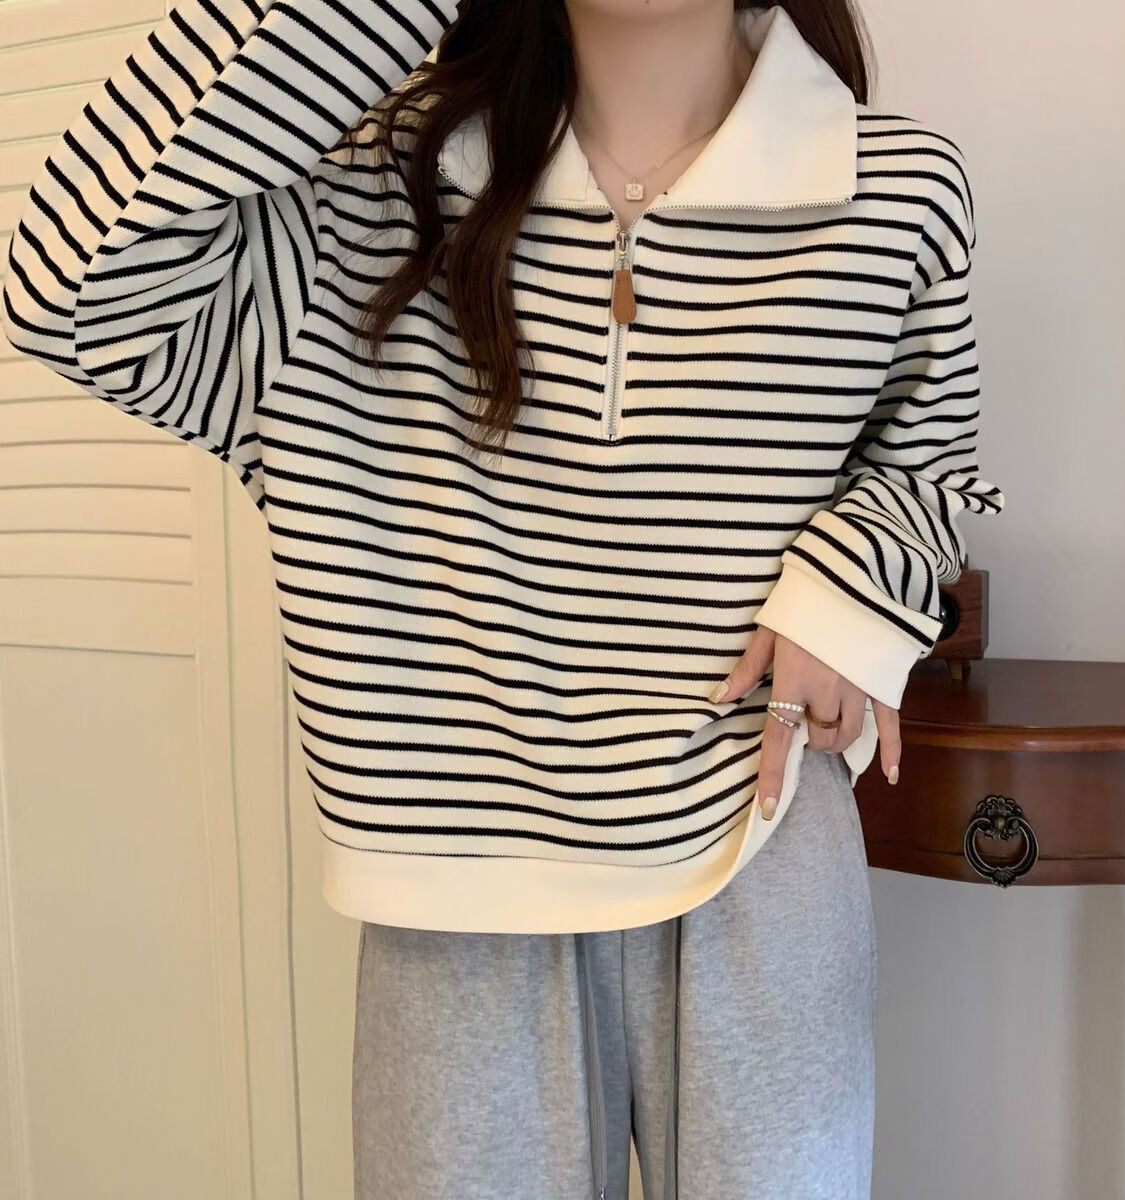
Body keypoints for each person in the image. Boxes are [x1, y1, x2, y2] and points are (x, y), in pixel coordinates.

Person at [1, 0, 1006, 1195]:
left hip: (761, 835)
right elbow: (65, 288)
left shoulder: (893, 187)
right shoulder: (359, 199)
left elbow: (930, 468)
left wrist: (848, 595)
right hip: (453, 873)